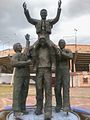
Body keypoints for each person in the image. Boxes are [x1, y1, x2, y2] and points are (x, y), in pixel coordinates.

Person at [11, 34, 31, 119]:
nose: (20, 46)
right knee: (17, 92)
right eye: (19, 45)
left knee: (24, 92)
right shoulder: (16, 55)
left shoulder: (23, 55)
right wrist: (26, 63)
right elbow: (13, 63)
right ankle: (16, 110)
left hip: (26, 76)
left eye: (20, 45)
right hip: (19, 76)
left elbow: (26, 50)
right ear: (15, 48)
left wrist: (27, 41)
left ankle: (22, 108)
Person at [33, 35, 53, 120]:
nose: (42, 42)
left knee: (48, 90)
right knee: (39, 88)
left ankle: (48, 110)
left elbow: (53, 58)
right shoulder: (37, 50)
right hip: (39, 71)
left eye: (43, 40)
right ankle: (39, 107)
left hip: (47, 70)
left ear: (46, 41)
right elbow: (33, 56)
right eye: (40, 40)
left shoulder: (50, 49)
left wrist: (54, 65)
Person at [54, 39, 73, 113]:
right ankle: (59, 105)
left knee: (66, 89)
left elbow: (70, 56)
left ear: (65, 44)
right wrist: (57, 53)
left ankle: (66, 106)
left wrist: (61, 53)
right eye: (60, 43)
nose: (61, 44)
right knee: (57, 89)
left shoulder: (67, 50)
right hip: (58, 72)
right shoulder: (57, 51)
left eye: (62, 42)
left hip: (65, 72)